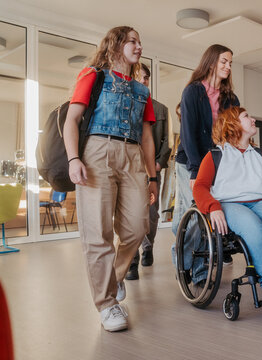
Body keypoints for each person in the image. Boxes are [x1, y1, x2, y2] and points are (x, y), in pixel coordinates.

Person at [64, 26, 157, 332]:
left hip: (132, 157)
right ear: (116, 44)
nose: (139, 46)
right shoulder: (94, 75)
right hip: (97, 150)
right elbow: (72, 121)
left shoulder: (143, 91)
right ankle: (106, 305)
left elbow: (146, 137)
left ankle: (114, 278)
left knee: (138, 226)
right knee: (98, 232)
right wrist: (74, 158)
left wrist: (152, 177)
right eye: (132, 41)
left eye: (140, 42)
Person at [193, 106, 262, 300]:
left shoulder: (259, 155)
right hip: (231, 203)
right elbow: (200, 187)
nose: (253, 119)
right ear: (232, 123)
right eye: (247, 117)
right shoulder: (216, 155)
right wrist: (213, 207)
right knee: (253, 227)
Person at [171, 44, 240, 278]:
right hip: (189, 161)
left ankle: (194, 266)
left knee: (203, 214)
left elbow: (232, 134)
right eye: (224, 61)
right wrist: (194, 170)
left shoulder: (231, 98)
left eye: (230, 63)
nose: (228, 66)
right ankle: (187, 261)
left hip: (216, 163)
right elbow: (188, 134)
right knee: (192, 213)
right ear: (211, 63)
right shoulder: (192, 92)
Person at [126, 63, 171, 281]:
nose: (143, 81)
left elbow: (166, 141)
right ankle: (132, 262)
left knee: (151, 215)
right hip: (130, 170)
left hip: (152, 169)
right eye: (140, 77)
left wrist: (158, 164)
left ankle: (148, 247)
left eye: (146, 78)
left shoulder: (161, 109)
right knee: (132, 216)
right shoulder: (127, 106)